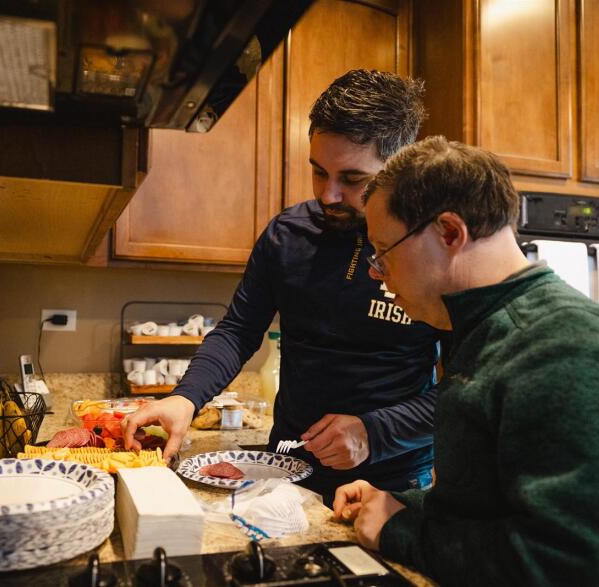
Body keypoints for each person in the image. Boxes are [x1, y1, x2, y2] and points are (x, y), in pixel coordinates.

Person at [333, 136, 599, 585]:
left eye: (383, 252)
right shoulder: (489, 332)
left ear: (449, 233)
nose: (376, 272)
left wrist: (403, 532)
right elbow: (495, 502)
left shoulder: (570, 352)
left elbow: (588, 567)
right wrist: (398, 504)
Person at [123, 70, 442, 502]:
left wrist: (373, 433)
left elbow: (467, 390)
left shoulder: (430, 249)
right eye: (317, 172)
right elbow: (238, 331)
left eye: (352, 180)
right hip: (288, 467)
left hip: (393, 481)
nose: (328, 195)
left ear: (400, 169)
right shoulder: (287, 235)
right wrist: (186, 398)